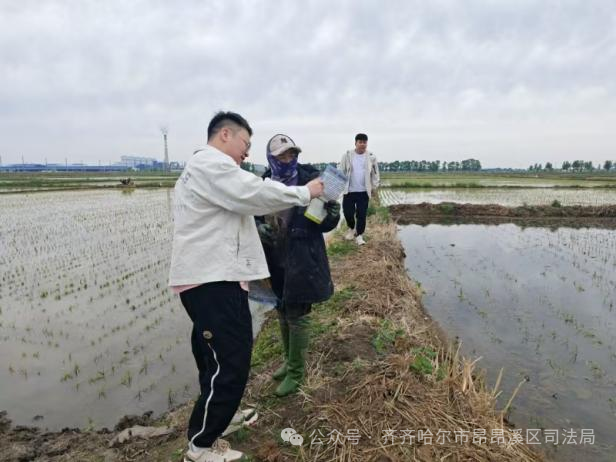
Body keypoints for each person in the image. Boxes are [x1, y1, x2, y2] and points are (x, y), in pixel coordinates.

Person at [168, 112, 324, 462]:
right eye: (245, 145)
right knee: (231, 363)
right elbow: (254, 194)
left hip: (213, 279)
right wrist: (304, 193)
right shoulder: (212, 165)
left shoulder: (204, 170)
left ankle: (217, 420)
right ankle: (202, 446)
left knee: (214, 361)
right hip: (213, 281)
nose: (245, 154)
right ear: (225, 135)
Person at [256, 134, 340, 397]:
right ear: (271, 158)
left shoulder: (312, 180)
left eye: (291, 154)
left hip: (303, 255)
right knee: (281, 308)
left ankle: (296, 372)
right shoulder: (264, 182)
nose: (288, 160)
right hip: (274, 256)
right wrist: (259, 228)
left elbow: (324, 223)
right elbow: (254, 214)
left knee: (298, 314)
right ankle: (288, 360)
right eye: (282, 155)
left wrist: (332, 215)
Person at [339, 133, 380, 245]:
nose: (363, 144)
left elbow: (375, 173)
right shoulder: (347, 156)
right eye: (360, 142)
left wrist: (374, 187)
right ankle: (351, 229)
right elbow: (341, 171)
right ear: (355, 143)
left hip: (363, 191)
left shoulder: (371, 156)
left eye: (364, 142)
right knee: (348, 213)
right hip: (349, 191)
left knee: (361, 214)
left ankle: (359, 235)